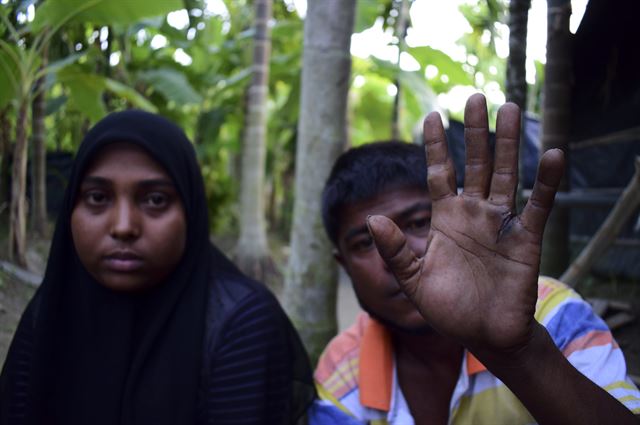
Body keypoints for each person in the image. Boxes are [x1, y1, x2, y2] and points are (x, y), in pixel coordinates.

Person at [312, 94, 640, 424]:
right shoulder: (341, 373)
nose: (397, 253)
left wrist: (521, 352)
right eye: (365, 243)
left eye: (418, 222)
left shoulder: (552, 313)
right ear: (344, 266)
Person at [0, 110, 315, 425]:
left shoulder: (239, 323)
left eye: (154, 200)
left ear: (190, 211)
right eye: (97, 197)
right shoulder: (52, 309)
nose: (123, 226)